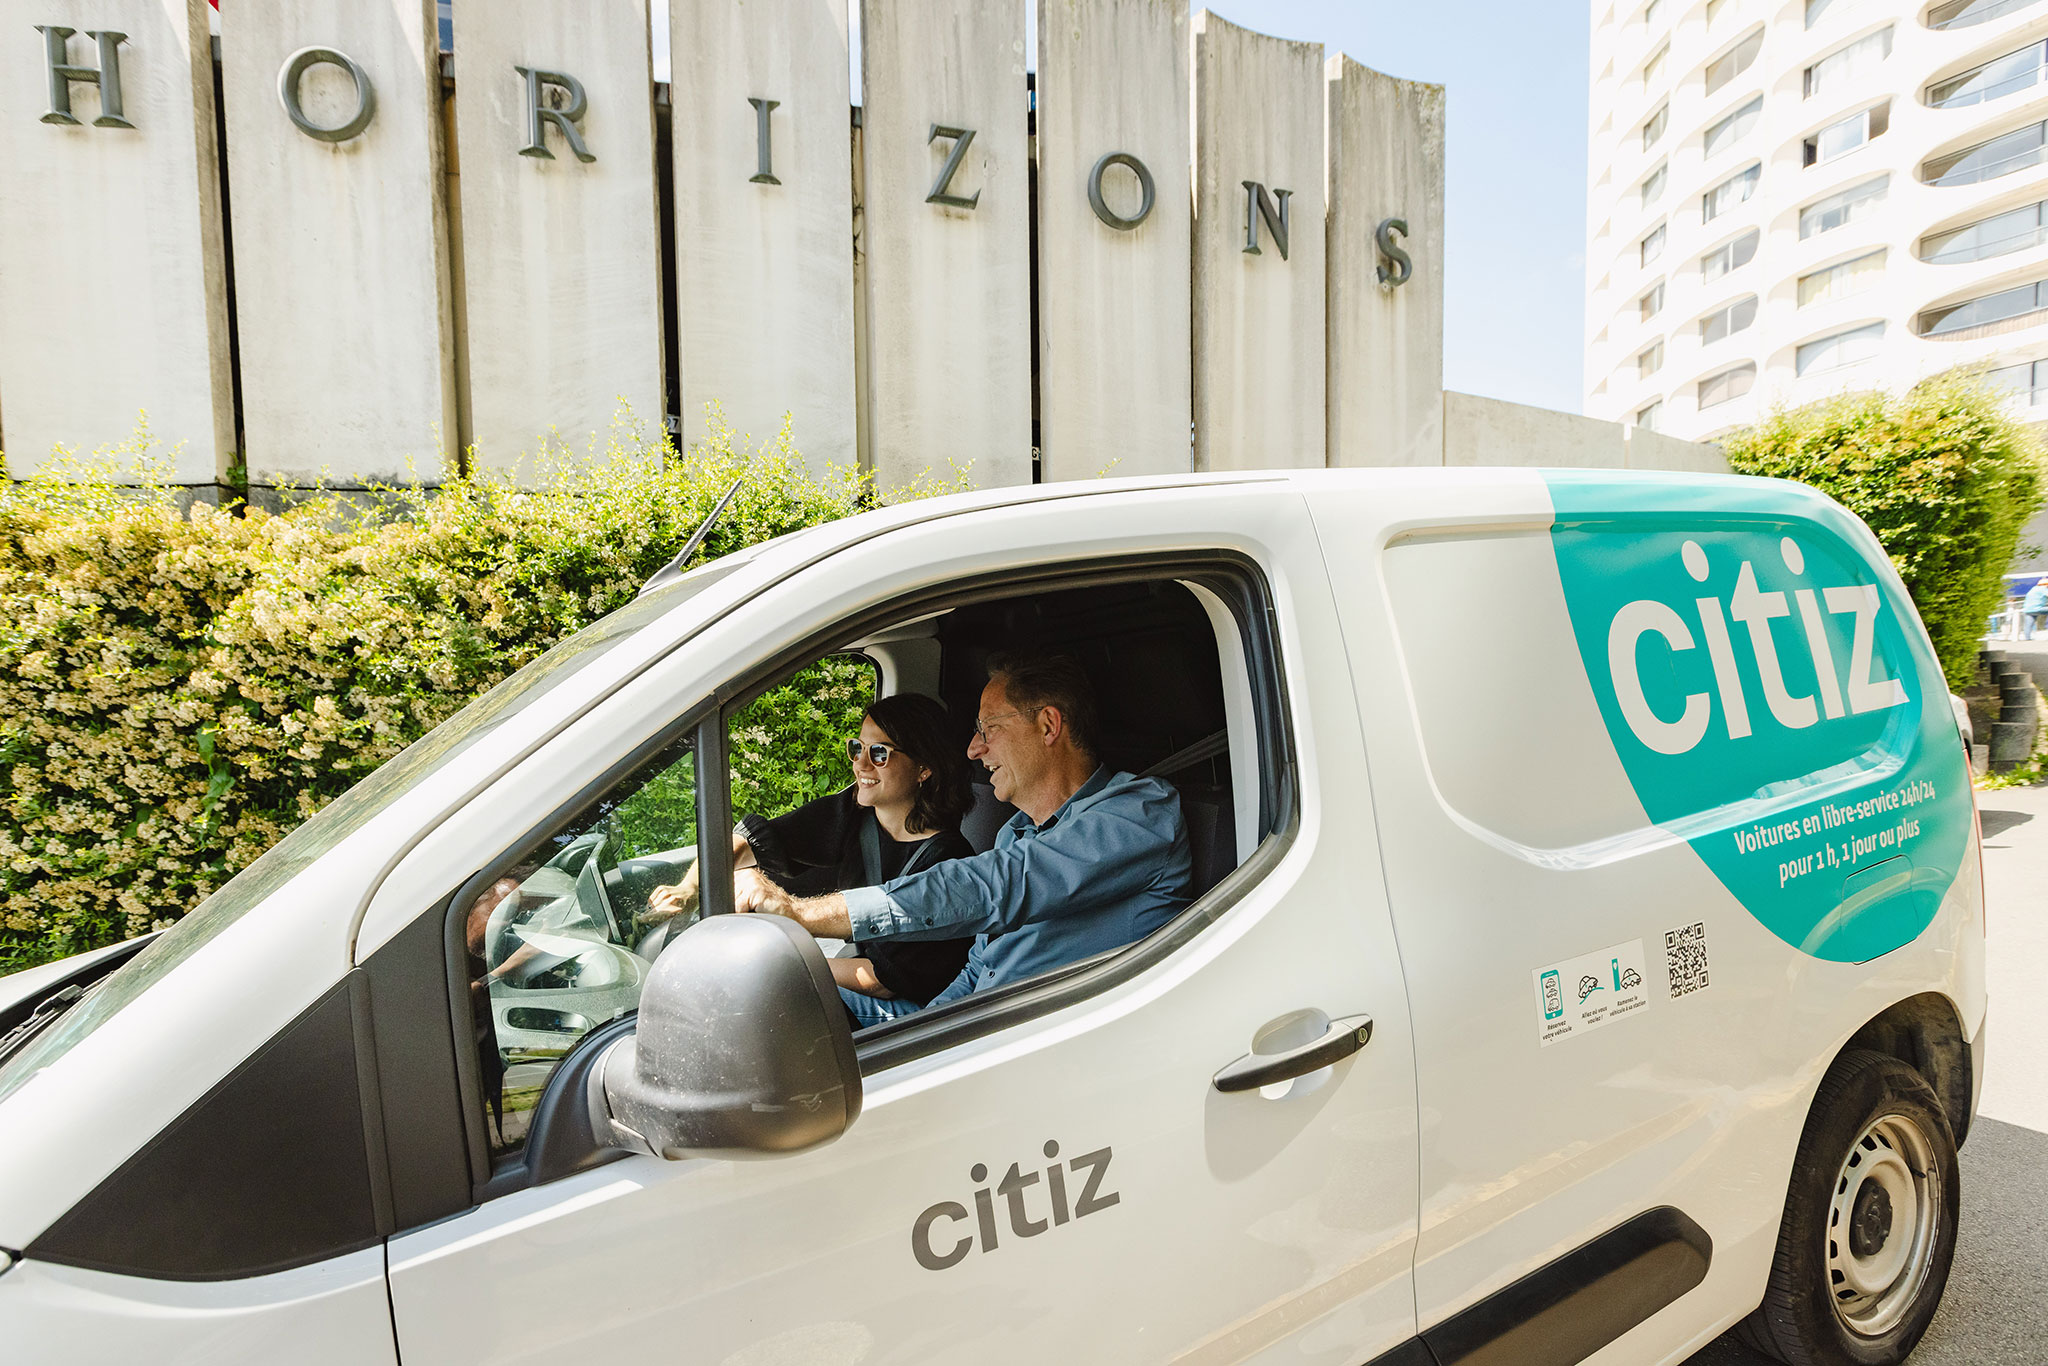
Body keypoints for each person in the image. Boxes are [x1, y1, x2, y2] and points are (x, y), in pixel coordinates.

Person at [733, 651, 1194, 1027]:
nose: (974, 749)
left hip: (1045, 1041)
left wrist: (800, 913)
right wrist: (923, 1033)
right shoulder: (1015, 832)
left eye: (988, 728)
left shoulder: (1141, 813)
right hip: (972, 1027)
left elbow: (994, 886)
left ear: (1048, 725)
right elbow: (979, 969)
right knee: (765, 989)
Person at [645, 692, 979, 1009]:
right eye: (856, 748)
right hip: (862, 974)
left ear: (924, 767)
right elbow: (751, 842)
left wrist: (779, 961)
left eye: (879, 753)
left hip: (913, 1010)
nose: (861, 764)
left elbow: (882, 980)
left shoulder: (947, 861)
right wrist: (689, 889)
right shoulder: (854, 815)